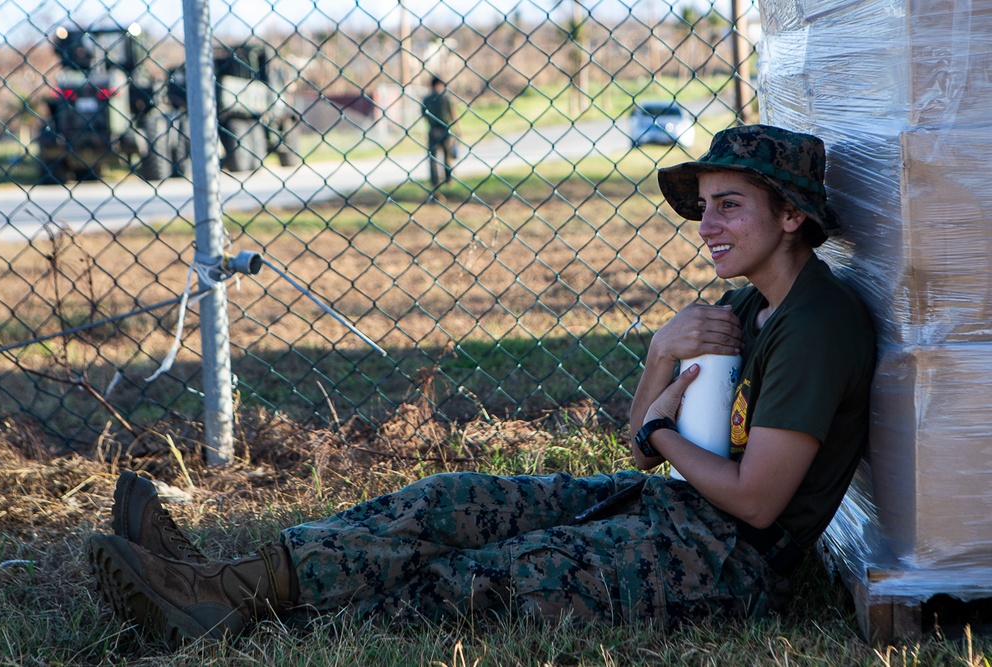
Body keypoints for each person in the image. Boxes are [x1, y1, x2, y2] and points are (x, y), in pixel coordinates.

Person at [86, 125, 876, 643]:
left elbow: (755, 501)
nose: (706, 227)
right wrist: (660, 357)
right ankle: (223, 581)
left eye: (728, 207)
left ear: (792, 217)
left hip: (729, 562)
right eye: (703, 208)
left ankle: (223, 615)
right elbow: (641, 452)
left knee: (483, 574)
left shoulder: (816, 325)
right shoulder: (749, 306)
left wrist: (660, 431)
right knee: (451, 499)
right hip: (674, 508)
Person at [421, 75, 458, 192]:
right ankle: (448, 178)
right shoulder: (445, 98)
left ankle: (434, 180)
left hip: (433, 129)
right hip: (445, 128)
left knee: (433, 156)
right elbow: (453, 113)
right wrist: (457, 128)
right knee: (447, 155)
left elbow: (424, 115)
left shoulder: (427, 99)